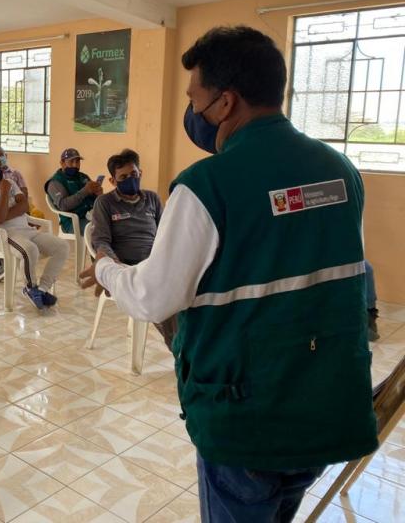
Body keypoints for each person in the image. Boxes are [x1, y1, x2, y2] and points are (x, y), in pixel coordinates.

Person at [80, 26, 377, 522]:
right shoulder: (340, 170)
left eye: (196, 97)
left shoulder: (205, 185)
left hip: (248, 416)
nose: (192, 112)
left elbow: (154, 298)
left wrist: (107, 269)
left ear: (225, 102)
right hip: (325, 403)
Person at [90, 148, 177, 350]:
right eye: (123, 177)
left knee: (186, 291)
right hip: (128, 268)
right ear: (112, 181)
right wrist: (114, 265)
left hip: (155, 264)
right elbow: (101, 241)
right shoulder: (105, 203)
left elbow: (165, 233)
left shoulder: (152, 199)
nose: (130, 179)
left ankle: (190, 344)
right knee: (162, 300)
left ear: (141, 173)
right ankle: (180, 349)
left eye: (134, 174)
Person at [0, 153, 68, 310]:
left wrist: (0, 216)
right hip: (2, 236)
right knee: (30, 250)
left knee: (62, 246)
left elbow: (24, 207)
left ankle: (42, 289)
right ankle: (30, 287)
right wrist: (3, 194)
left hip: (26, 230)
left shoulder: (9, 183)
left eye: (0, 167)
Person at [44, 147, 102, 233]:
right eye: (71, 161)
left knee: (116, 224)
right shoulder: (55, 182)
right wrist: (85, 191)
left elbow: (94, 201)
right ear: (62, 163)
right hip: (73, 222)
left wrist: (99, 194)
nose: (75, 165)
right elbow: (63, 205)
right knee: (102, 229)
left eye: (77, 161)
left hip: (91, 216)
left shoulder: (83, 177)